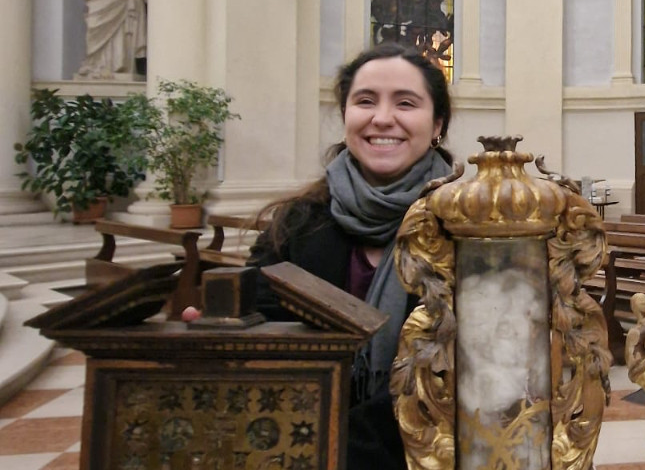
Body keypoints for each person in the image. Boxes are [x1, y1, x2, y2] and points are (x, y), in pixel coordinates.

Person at [186, 42, 454, 467]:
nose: (382, 118)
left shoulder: (468, 228)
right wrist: (220, 333)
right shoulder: (297, 223)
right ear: (346, 116)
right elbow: (262, 339)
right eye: (365, 101)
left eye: (406, 103)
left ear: (437, 123)